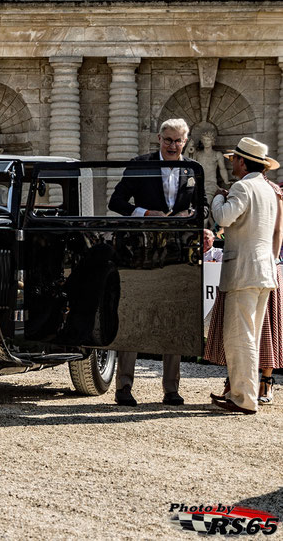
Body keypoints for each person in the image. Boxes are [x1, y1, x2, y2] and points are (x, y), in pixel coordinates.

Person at [108, 118, 197, 406]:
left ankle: (171, 389)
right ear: (159, 138)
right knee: (134, 313)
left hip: (178, 251)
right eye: (168, 140)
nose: (173, 145)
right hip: (140, 250)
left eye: (178, 141)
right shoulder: (140, 163)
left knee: (176, 316)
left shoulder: (194, 169)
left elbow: (203, 204)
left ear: (185, 141)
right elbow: (116, 202)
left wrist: (192, 217)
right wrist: (145, 213)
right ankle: (124, 387)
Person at [209, 138, 281, 414]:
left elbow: (224, 217)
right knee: (250, 335)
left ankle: (243, 398)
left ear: (242, 161)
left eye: (234, 160)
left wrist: (218, 196)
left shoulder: (243, 186)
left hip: (243, 271)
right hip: (264, 270)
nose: (232, 165)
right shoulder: (268, 189)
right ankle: (245, 394)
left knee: (240, 337)